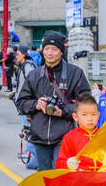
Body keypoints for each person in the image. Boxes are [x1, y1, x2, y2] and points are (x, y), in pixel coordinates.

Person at [15, 32, 91, 171]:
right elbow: (21, 103)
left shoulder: (75, 73)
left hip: (64, 135)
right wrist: (36, 104)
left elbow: (86, 105)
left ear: (61, 51)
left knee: (59, 174)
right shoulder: (35, 74)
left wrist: (62, 112)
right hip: (40, 135)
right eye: (46, 49)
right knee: (44, 176)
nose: (50, 53)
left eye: (54, 49)